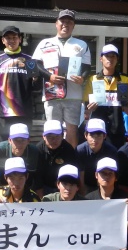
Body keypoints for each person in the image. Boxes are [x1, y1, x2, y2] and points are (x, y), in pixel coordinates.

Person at [32, 9, 92, 147]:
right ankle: (53, 161)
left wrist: (82, 78)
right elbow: (36, 64)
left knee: (72, 131)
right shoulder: (44, 43)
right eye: (62, 21)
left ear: (73, 25)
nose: (65, 24)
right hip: (51, 94)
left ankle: (70, 160)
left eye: (69, 22)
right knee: (53, 130)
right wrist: (50, 76)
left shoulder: (81, 44)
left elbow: (86, 67)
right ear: (56, 23)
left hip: (74, 95)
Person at [85, 157, 128, 250]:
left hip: (120, 247)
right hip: (98, 247)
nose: (106, 177)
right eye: (103, 173)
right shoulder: (88, 199)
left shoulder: (125, 198)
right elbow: (84, 230)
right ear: (96, 175)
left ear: (116, 177)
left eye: (110, 173)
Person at [0, 26, 36, 142]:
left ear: (20, 39)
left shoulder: (30, 59)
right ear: (3, 40)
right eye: (8, 38)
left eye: (14, 37)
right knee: (3, 147)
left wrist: (36, 78)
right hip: (2, 113)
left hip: (23, 112)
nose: (11, 40)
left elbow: (36, 88)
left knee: (22, 147)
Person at [83, 44, 128, 148]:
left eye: (113, 56)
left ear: (117, 59)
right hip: (97, 128)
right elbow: (86, 109)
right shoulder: (93, 79)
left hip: (117, 127)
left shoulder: (125, 80)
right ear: (101, 59)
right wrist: (90, 109)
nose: (110, 59)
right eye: (107, 56)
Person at [76, 118, 119, 195]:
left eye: (99, 135)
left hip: (105, 185)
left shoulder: (111, 151)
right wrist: (83, 192)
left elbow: (112, 175)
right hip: (86, 185)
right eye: (92, 135)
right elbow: (80, 174)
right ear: (86, 135)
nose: (95, 139)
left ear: (104, 136)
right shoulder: (80, 150)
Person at [35, 120, 78, 197]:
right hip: (44, 187)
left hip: (64, 187)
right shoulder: (38, 150)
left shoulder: (68, 149)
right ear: (43, 137)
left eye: (57, 136)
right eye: (50, 137)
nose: (54, 140)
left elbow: (73, 176)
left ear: (62, 136)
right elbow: (37, 178)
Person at [0, 123, 40, 190]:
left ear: (28, 141)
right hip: (2, 188)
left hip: (27, 189)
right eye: (16, 140)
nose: (19, 144)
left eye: (23, 140)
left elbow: (36, 177)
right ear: (9, 140)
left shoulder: (34, 152)